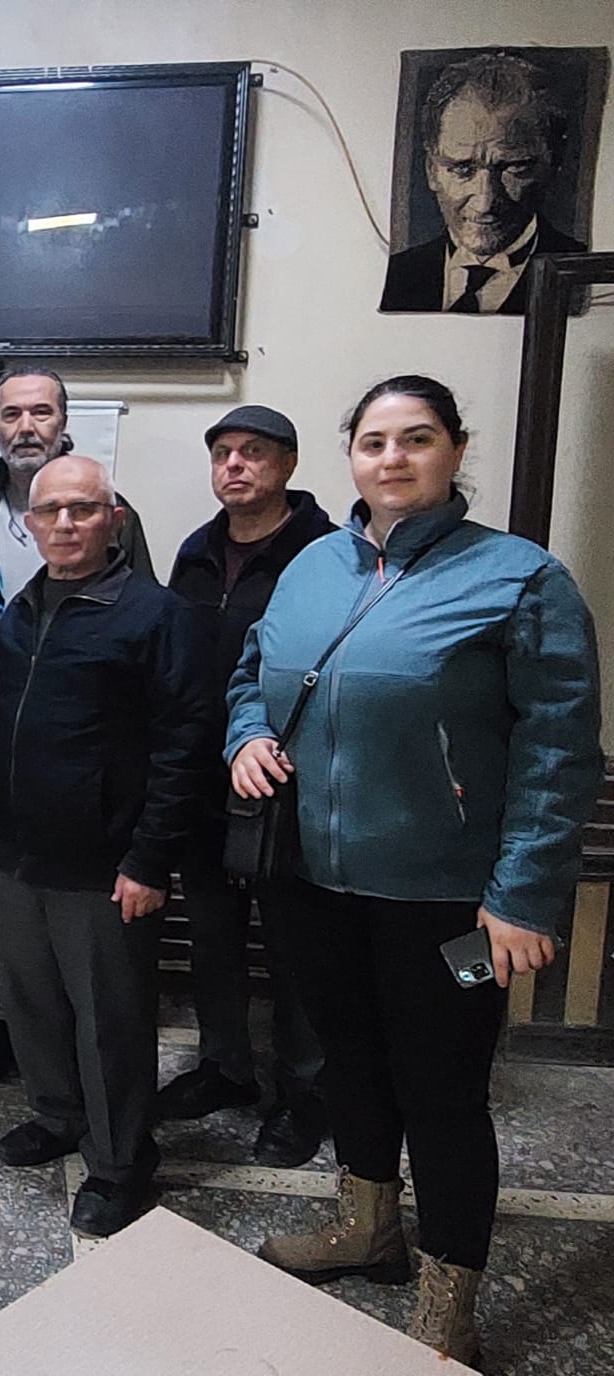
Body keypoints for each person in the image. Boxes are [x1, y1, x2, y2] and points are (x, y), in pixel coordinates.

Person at [233, 375, 601, 1364]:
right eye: (374, 441)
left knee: (442, 1090)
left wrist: (521, 895)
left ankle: (447, 1298)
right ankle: (366, 1228)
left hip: (452, 905)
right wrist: (245, 735)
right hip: (314, 881)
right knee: (346, 1062)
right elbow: (251, 675)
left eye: (417, 438)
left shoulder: (519, 578)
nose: (392, 458)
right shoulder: (311, 565)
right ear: (349, 455)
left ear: (454, 450)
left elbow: (560, 751)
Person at [0, 454, 220, 1238]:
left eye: (83, 509)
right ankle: (57, 1116)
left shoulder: (156, 615)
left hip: (107, 866)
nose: (66, 523)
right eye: (51, 511)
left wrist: (149, 859)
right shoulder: (22, 608)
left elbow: (185, 745)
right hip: (19, 853)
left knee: (109, 1021)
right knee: (33, 1005)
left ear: (114, 521)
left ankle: (119, 1162)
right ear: (32, 522)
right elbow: (3, 723)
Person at [158, 405, 336, 1167]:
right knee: (213, 936)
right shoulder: (196, 552)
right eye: (223, 453)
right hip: (201, 779)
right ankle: (225, 1067)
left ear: (288, 464)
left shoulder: (327, 555)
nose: (235, 465)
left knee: (296, 949)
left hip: (286, 781)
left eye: (253, 452)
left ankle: (305, 1095)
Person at [380, 52, 589, 314]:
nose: (485, 203)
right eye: (462, 169)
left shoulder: (583, 274)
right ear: (431, 171)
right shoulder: (400, 271)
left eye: (514, 167)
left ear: (554, 163)